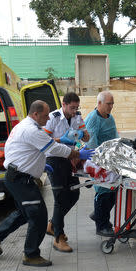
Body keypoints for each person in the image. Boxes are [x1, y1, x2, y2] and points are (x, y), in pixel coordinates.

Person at [0, 100, 93, 267]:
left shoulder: (25, 126)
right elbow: (54, 148)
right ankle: (31, 254)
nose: (48, 118)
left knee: (24, 213)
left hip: (18, 175)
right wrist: (77, 154)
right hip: (20, 179)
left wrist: (39, 166)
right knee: (38, 215)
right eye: (45, 115)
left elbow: (19, 149)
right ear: (35, 114)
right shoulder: (31, 129)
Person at [43, 92, 90, 253]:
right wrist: (61, 139)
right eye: (72, 108)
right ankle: (58, 237)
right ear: (63, 105)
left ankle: (52, 224)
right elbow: (43, 139)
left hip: (69, 159)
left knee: (74, 194)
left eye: (77, 108)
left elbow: (87, 137)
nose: (74, 111)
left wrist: (82, 134)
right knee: (60, 198)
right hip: (54, 160)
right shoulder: (53, 117)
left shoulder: (77, 117)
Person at [84, 91, 119, 236]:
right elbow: (92, 145)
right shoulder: (93, 119)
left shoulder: (109, 118)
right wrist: (104, 162)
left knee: (114, 190)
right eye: (108, 104)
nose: (111, 106)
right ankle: (102, 225)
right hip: (97, 160)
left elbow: (115, 136)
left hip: (110, 159)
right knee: (104, 191)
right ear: (99, 103)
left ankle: (99, 214)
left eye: (112, 104)